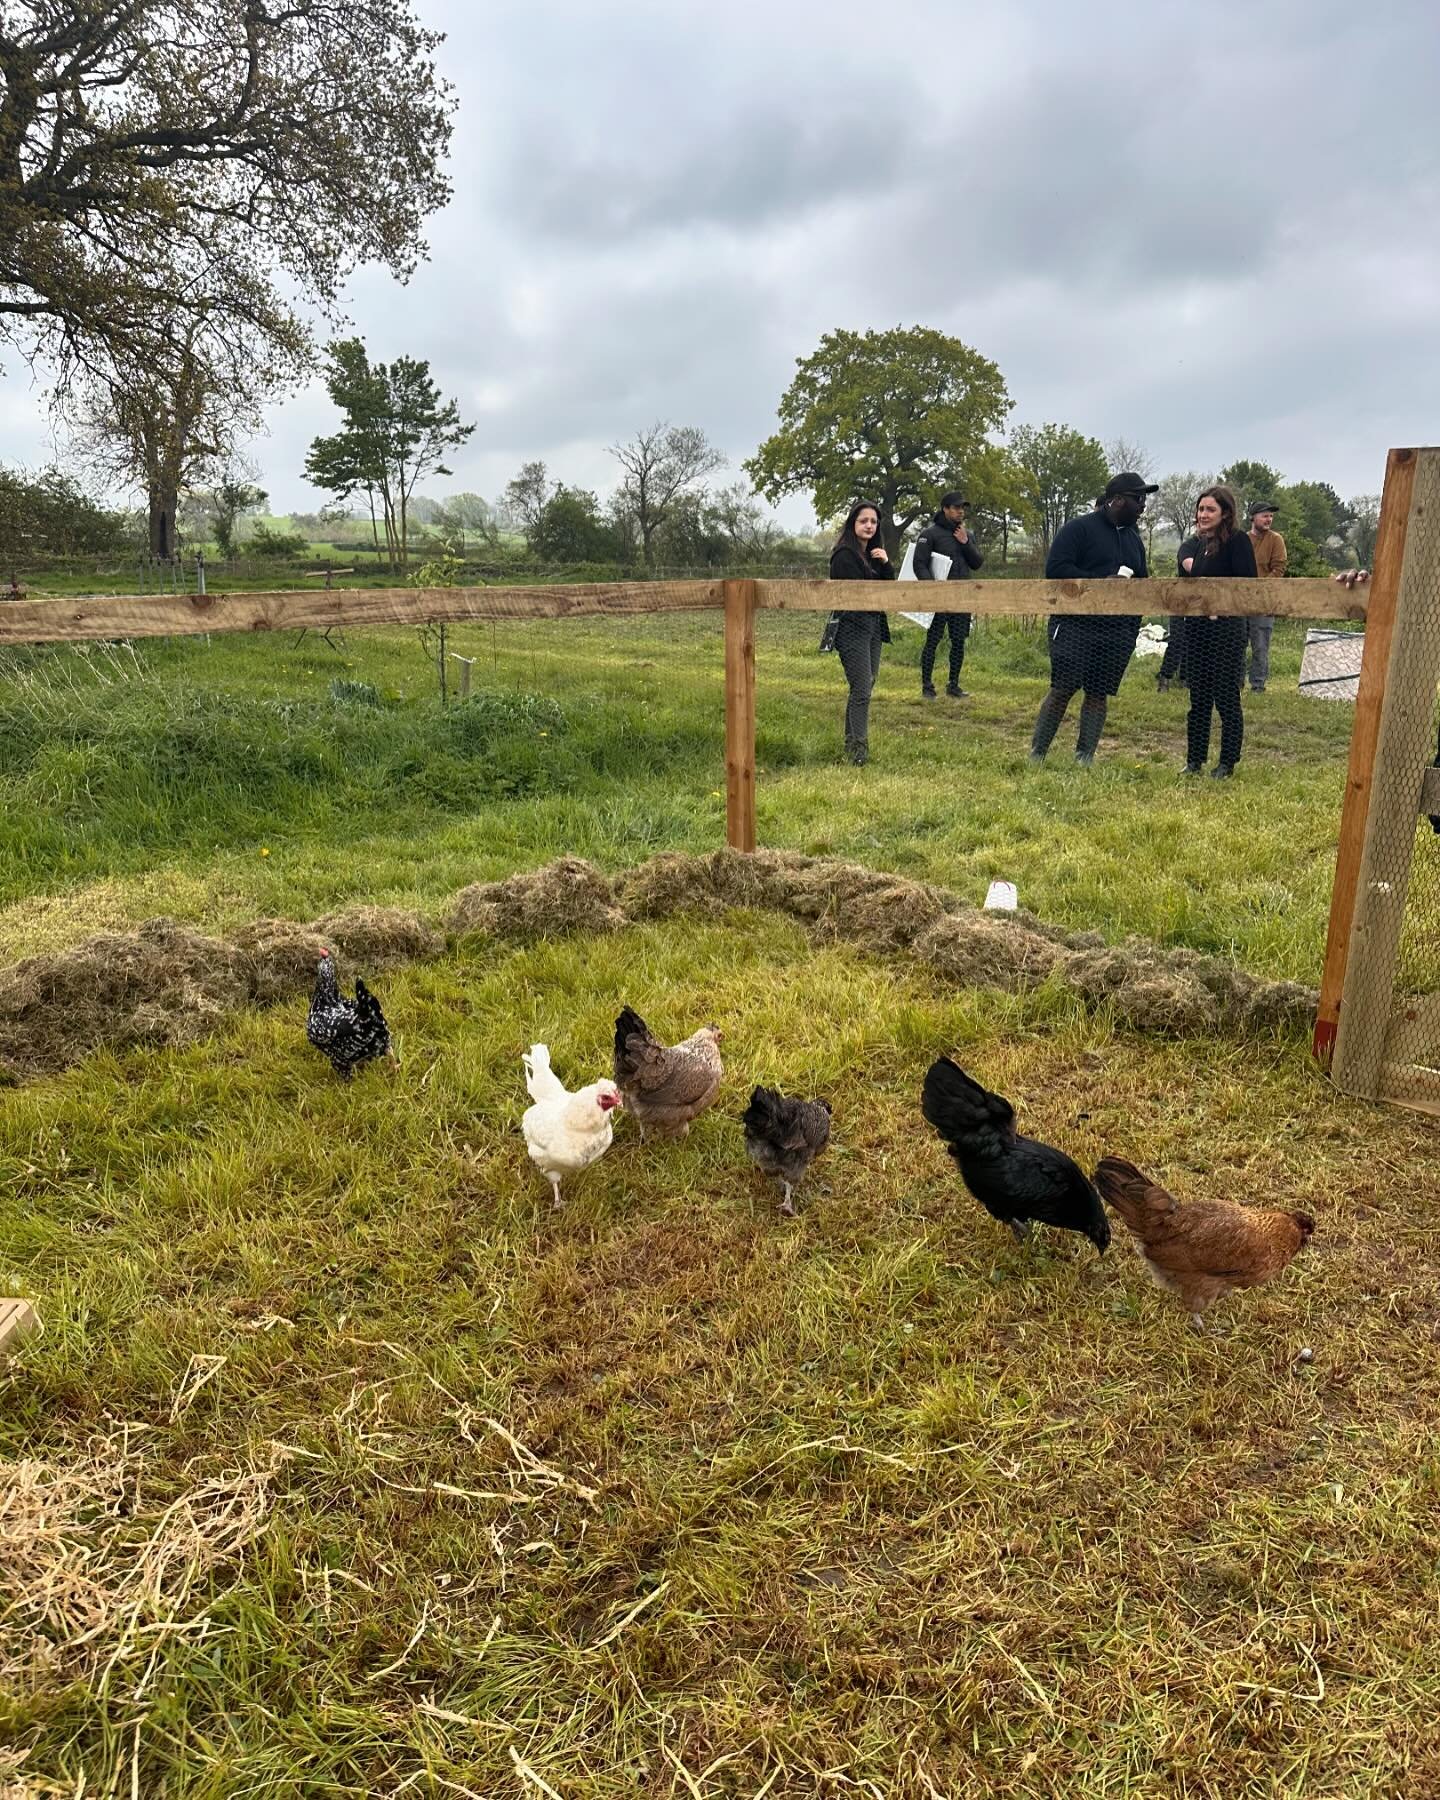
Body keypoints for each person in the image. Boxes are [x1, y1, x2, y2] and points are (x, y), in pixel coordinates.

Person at [1030, 471, 1155, 767]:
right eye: (1138, 499)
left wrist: (1130, 625)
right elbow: (1056, 569)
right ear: (1117, 501)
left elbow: (1143, 582)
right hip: (1075, 626)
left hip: (1116, 632)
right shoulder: (1079, 529)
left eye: (1144, 500)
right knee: (1063, 688)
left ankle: (1085, 756)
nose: (1143, 506)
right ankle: (1038, 753)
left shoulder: (1134, 539)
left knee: (1098, 694)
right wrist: (1100, 582)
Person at [1178, 484, 1256, 778]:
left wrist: (1221, 608)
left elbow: (1248, 585)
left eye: (1210, 509)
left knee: (1225, 697)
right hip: (1197, 630)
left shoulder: (1237, 541)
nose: (1203, 514)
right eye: (1200, 509)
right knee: (1198, 699)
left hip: (1227, 630)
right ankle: (1194, 760)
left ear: (1225, 513)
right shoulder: (1199, 543)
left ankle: (1227, 762)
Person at [824, 499, 893, 765]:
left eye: (874, 522)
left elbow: (888, 587)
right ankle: (858, 751)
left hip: (874, 626)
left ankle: (852, 743)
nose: (869, 526)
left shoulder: (874, 555)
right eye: (863, 520)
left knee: (865, 685)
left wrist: (886, 563)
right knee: (862, 688)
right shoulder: (844, 555)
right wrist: (879, 572)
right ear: (853, 523)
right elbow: (861, 590)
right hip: (852, 627)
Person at [913, 490, 983, 699]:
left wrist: (965, 542)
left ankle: (954, 685)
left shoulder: (966, 534)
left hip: (962, 598)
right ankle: (927, 685)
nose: (961, 511)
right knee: (933, 640)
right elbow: (919, 564)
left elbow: (977, 563)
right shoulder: (929, 534)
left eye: (963, 508)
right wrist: (933, 590)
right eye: (956, 507)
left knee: (958, 641)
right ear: (945, 509)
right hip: (938, 598)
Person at [1246, 500, 1286, 692]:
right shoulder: (1243, 539)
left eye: (1271, 516)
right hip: (1240, 600)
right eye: (1264, 515)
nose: (1269, 519)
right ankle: (1234, 684)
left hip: (1264, 601)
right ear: (1253, 517)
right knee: (1235, 645)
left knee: (1260, 646)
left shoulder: (1275, 539)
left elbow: (1278, 569)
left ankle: (1258, 686)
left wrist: (1261, 588)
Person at [1156, 530, 1203, 692]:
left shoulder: (1214, 546)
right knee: (1178, 639)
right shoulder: (1189, 546)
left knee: (1195, 640)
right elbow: (1190, 566)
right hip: (1181, 600)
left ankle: (1186, 678)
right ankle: (1165, 677)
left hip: (1200, 601)